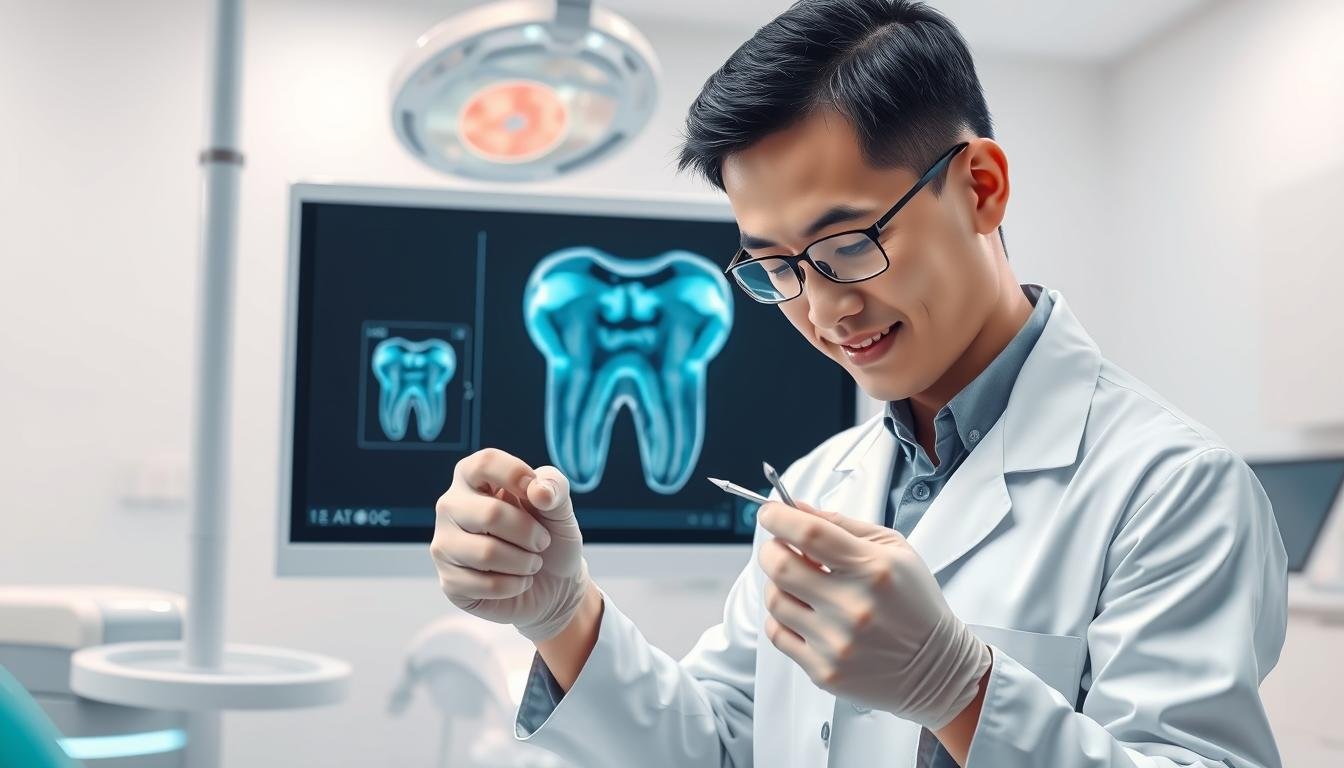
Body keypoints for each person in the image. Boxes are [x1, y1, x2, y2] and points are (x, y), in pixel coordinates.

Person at [429, 1, 1288, 765]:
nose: (827, 310)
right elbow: (717, 745)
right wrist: (561, 614)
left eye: (846, 245)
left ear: (980, 188)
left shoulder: (1174, 490)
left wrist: (962, 691)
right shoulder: (817, 484)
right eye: (775, 269)